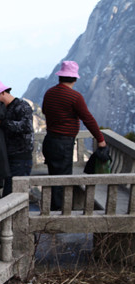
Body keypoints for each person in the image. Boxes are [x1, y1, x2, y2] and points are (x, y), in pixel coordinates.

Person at [42, 60, 106, 210]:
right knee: (62, 180)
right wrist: (100, 139)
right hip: (63, 143)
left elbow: (45, 110)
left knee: (54, 177)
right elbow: (88, 119)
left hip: (49, 140)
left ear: (60, 77)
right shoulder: (74, 97)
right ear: (75, 79)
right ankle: (59, 214)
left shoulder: (49, 92)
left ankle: (53, 212)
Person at [0, 80, 34, 197]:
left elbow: (26, 127)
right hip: (8, 157)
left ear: (2, 93)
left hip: (21, 158)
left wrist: (1, 123)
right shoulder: (5, 108)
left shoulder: (22, 106)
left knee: (13, 195)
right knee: (9, 194)